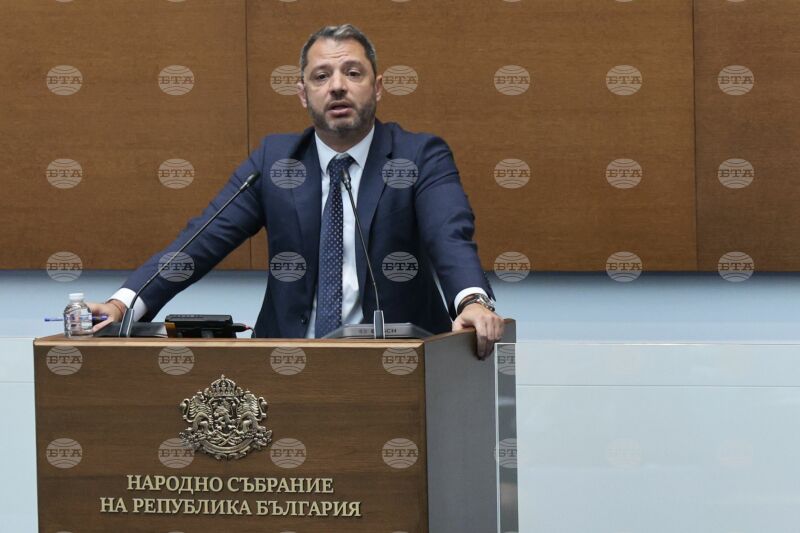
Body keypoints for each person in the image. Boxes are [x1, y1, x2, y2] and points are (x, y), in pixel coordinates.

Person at [89, 24, 504, 358]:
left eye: (353, 73)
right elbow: (201, 240)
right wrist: (124, 304)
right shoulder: (275, 160)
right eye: (321, 76)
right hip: (285, 363)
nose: (337, 86)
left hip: (396, 364)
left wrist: (472, 301)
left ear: (377, 87)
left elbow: (449, 236)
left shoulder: (419, 156)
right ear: (303, 94)